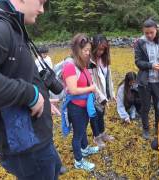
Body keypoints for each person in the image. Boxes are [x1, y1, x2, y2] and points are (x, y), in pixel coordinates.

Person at [0, 0, 63, 179]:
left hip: (32, 138)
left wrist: (41, 96)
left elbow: (12, 74)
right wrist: (31, 95)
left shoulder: (8, 23)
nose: (42, 10)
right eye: (41, 2)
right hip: (26, 146)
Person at [61, 34, 99, 171]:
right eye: (86, 50)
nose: (88, 53)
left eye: (89, 50)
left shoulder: (81, 63)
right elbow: (72, 90)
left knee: (83, 129)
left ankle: (85, 149)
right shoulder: (70, 66)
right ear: (77, 49)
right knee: (78, 134)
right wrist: (92, 88)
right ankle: (79, 161)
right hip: (76, 107)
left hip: (84, 106)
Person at [134, 18, 159, 139]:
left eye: (152, 32)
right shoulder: (140, 43)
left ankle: (158, 127)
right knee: (145, 107)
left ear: (157, 30)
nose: (149, 35)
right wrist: (150, 65)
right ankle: (145, 129)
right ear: (143, 31)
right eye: (146, 33)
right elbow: (138, 62)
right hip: (144, 81)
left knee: (158, 106)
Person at [88, 34, 115, 148]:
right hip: (94, 95)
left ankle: (103, 134)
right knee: (95, 116)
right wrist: (101, 97)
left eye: (103, 49)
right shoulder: (89, 62)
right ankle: (97, 137)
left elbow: (108, 77)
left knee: (101, 115)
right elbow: (91, 82)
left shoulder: (104, 60)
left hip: (104, 93)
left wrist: (112, 93)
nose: (100, 52)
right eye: (98, 49)